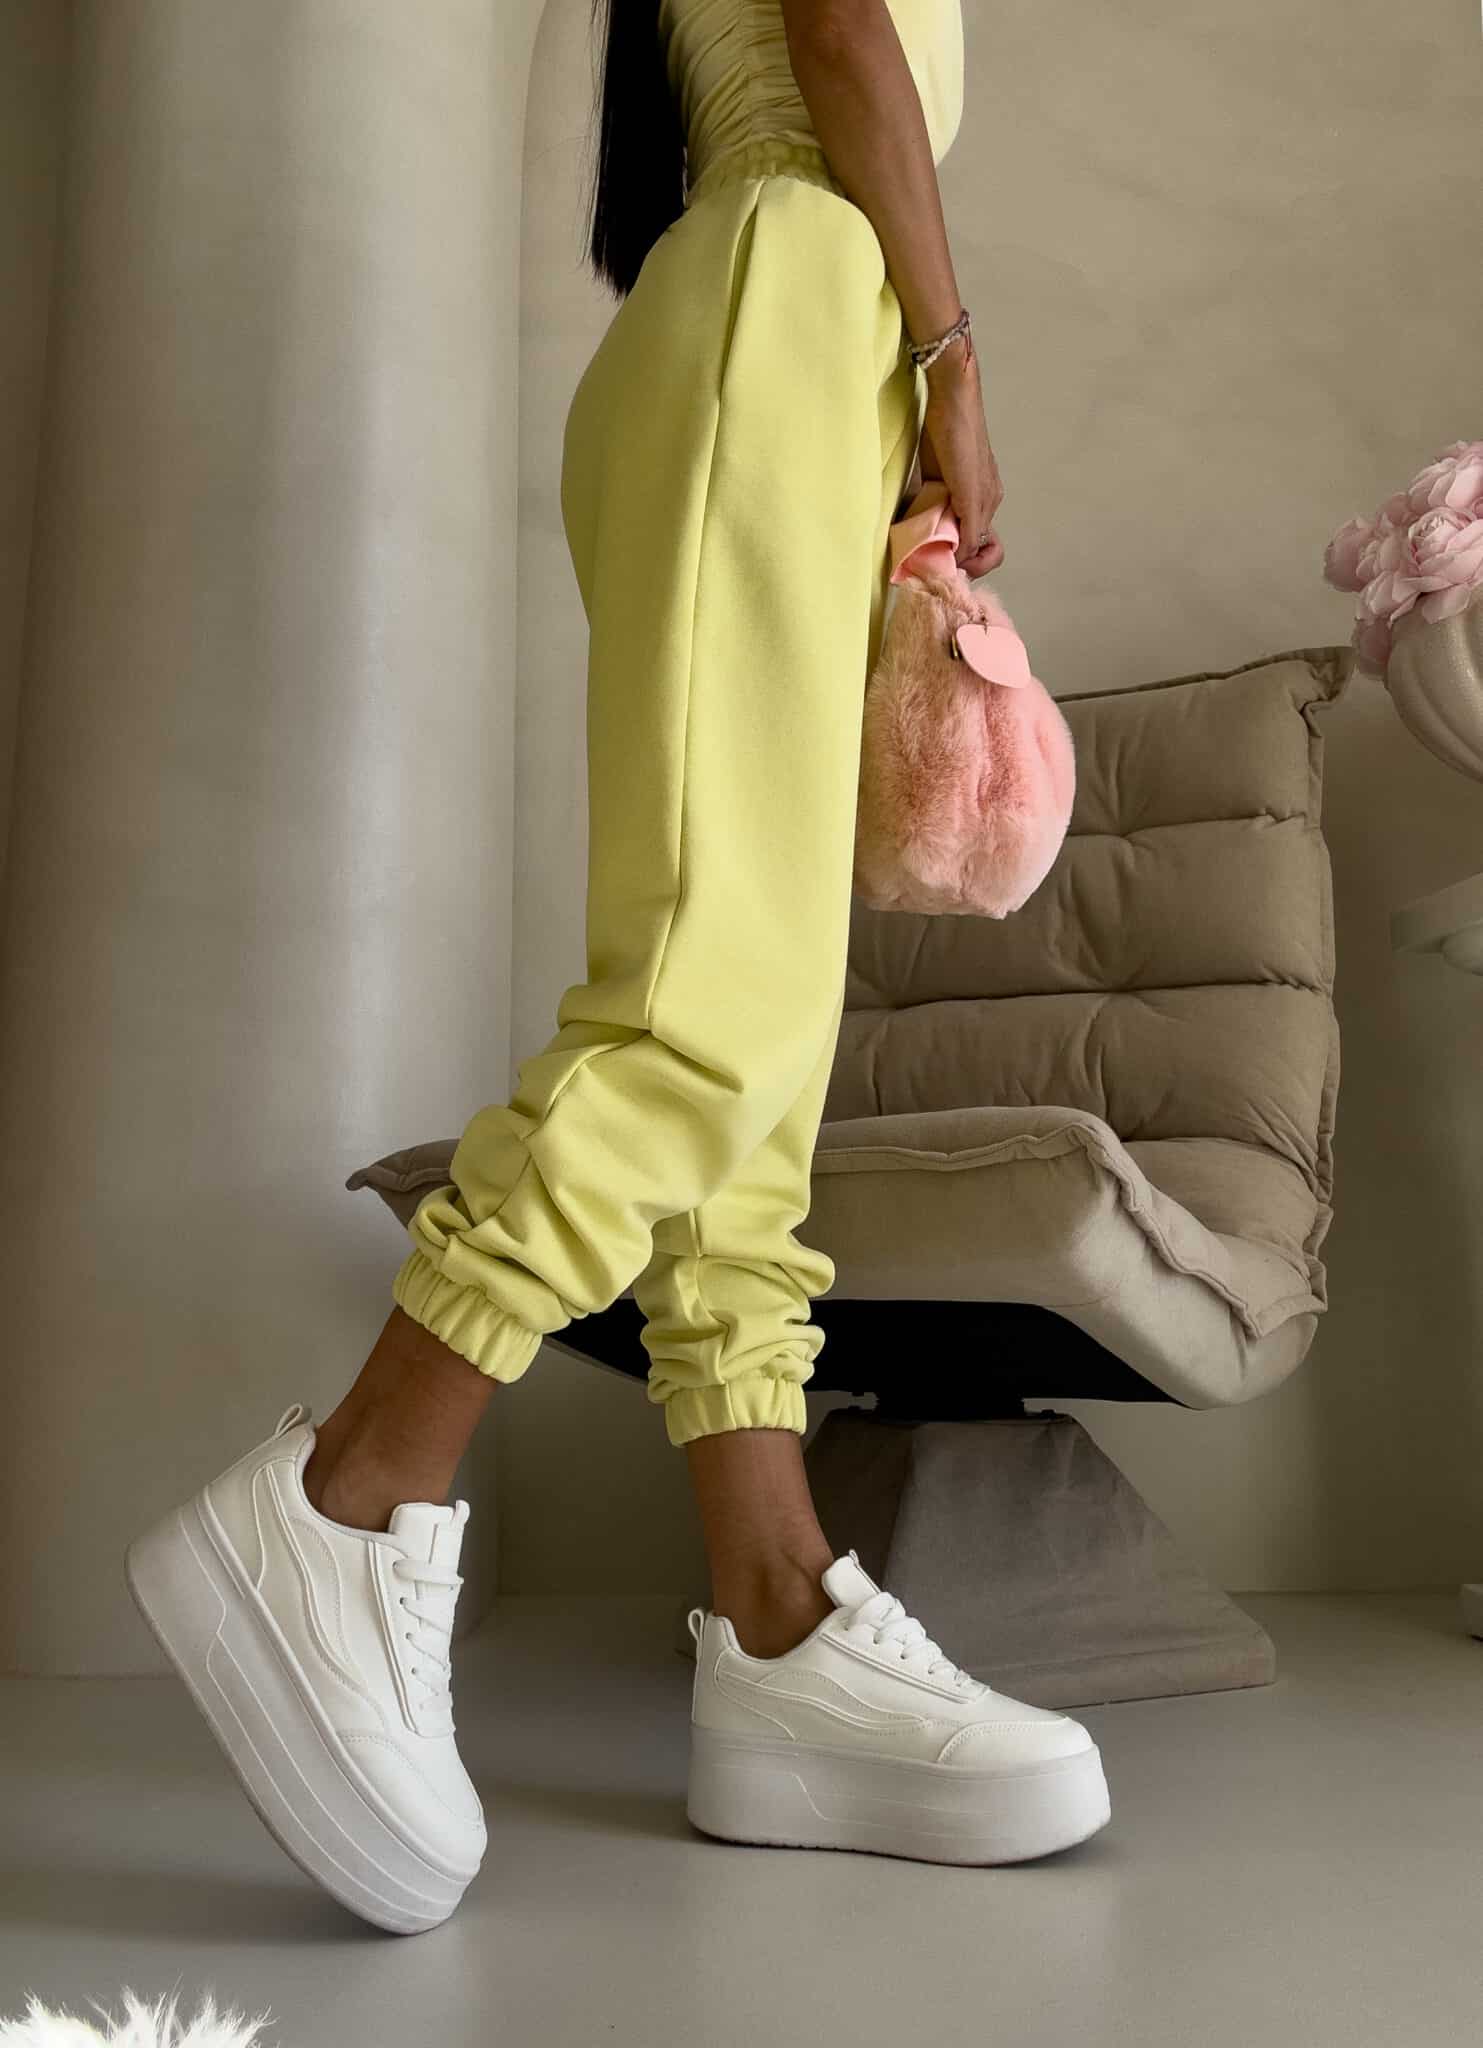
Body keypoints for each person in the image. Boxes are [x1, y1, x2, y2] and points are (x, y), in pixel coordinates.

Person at [126, 0, 1111, 1935]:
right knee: (707, 1007)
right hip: (793, 301)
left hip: (782, 328)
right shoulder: (812, 254)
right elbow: (840, 31)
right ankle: (347, 1495)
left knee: (761, 1063)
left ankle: (776, 1620)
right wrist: (950, 358)